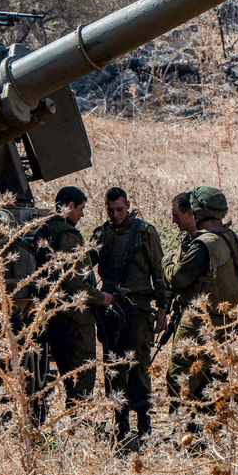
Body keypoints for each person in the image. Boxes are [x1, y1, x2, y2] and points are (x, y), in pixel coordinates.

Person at [92, 186, 170, 450]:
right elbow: (84, 264)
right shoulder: (101, 233)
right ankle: (120, 425)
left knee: (139, 367)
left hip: (138, 309)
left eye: (120, 210)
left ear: (128, 206)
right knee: (114, 368)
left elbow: (158, 271)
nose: (115, 215)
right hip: (111, 311)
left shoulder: (144, 232)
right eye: (111, 211)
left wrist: (163, 306)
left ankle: (144, 427)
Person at [164, 186, 238, 429]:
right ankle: (213, 431)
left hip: (201, 322)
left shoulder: (205, 244)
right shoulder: (230, 237)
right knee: (214, 378)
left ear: (199, 211)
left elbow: (178, 278)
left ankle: (186, 431)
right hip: (226, 321)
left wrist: (166, 263)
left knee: (180, 375)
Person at [35, 186, 112, 417]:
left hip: (52, 313)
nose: (82, 215)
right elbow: (76, 283)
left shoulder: (44, 229)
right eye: (81, 209)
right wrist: (102, 299)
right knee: (82, 378)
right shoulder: (68, 235)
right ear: (70, 206)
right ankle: (79, 426)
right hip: (75, 318)